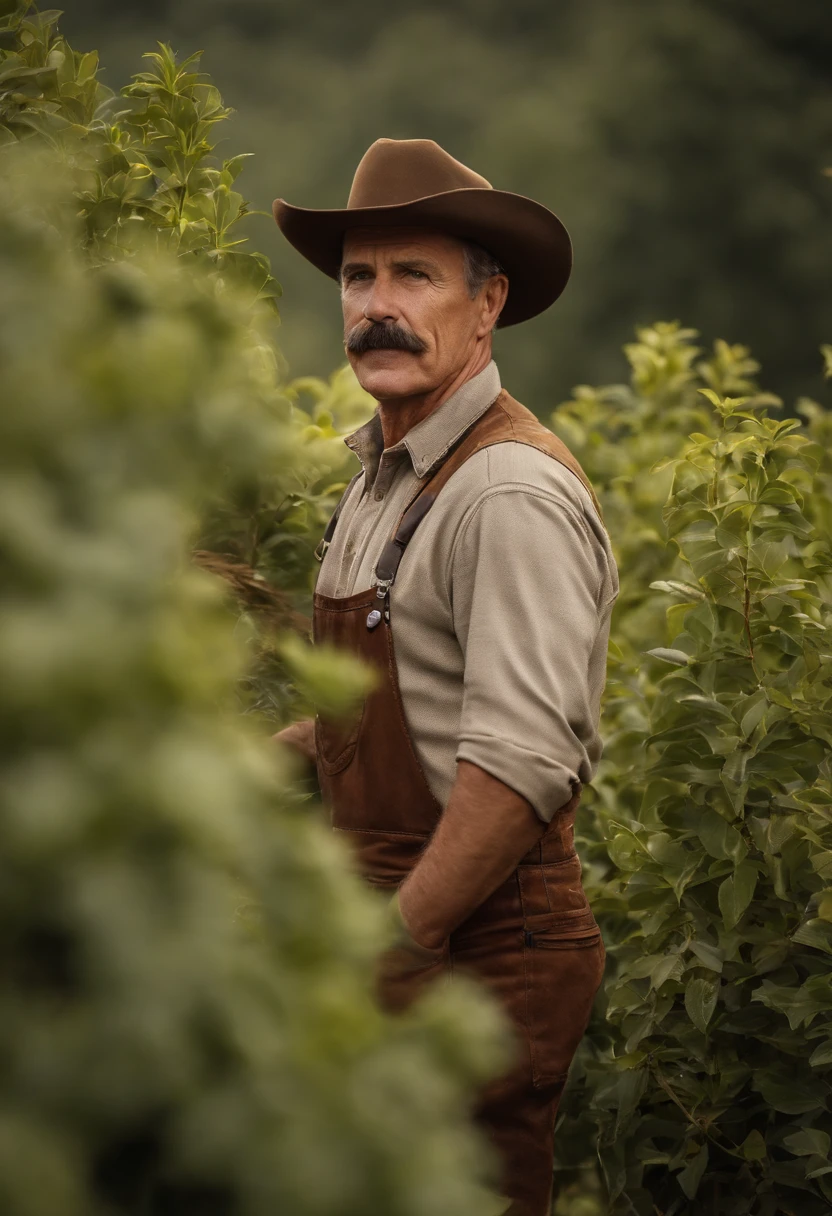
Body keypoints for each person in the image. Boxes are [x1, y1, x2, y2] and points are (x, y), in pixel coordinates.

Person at [272, 138, 619, 1216]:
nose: (377, 306)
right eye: (357, 277)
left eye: (413, 276)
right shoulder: (377, 472)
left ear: (488, 304)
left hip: (478, 946)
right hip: (398, 927)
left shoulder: (505, 492)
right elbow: (376, 713)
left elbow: (516, 768)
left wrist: (400, 942)